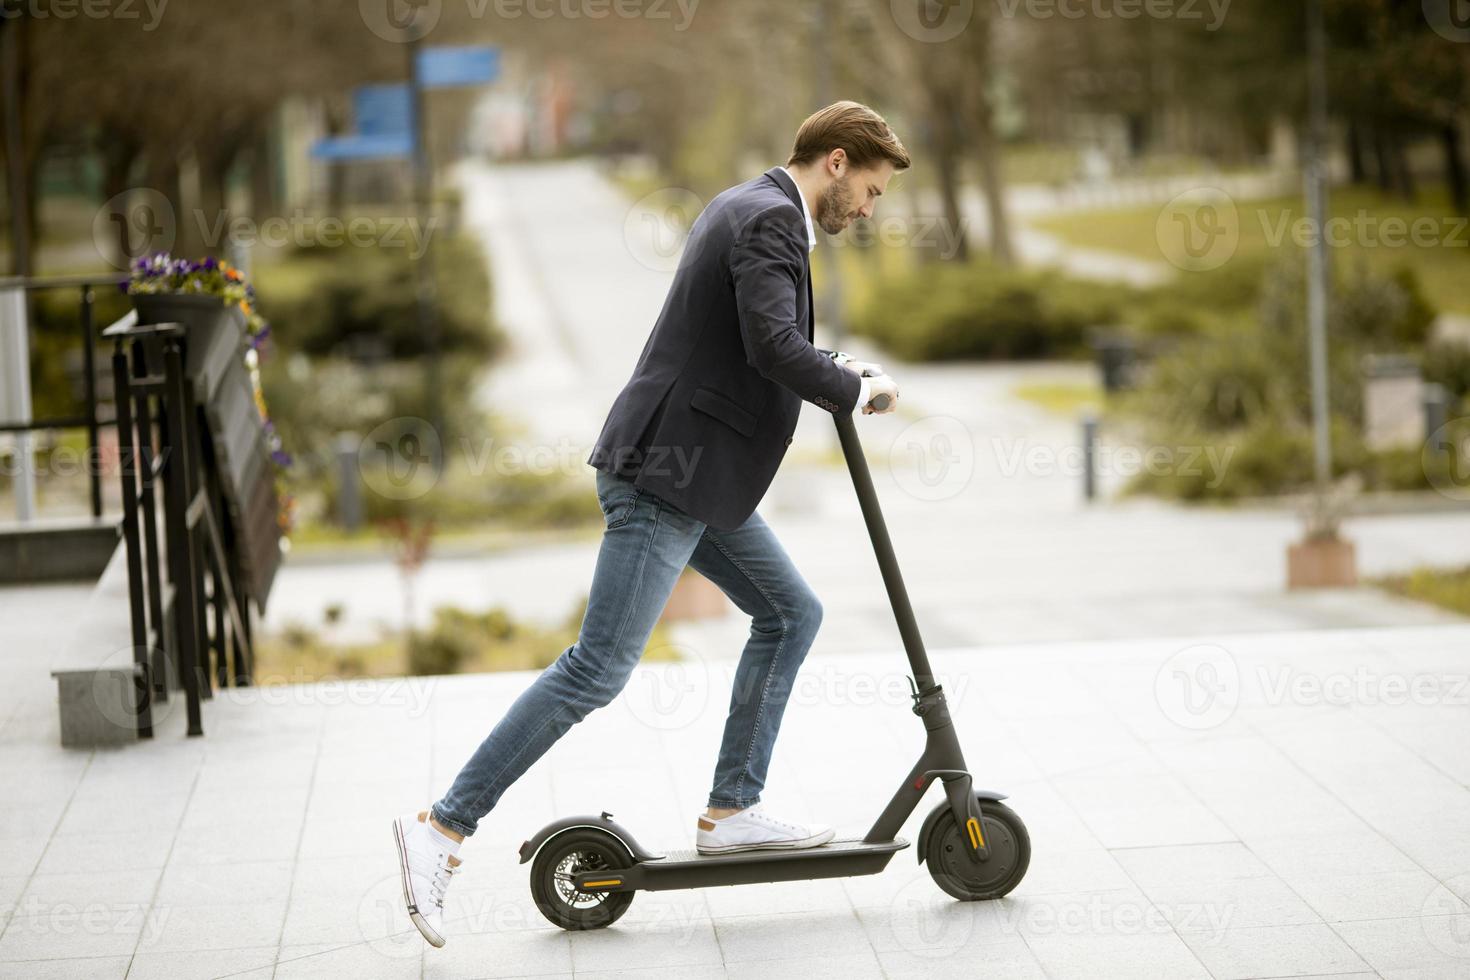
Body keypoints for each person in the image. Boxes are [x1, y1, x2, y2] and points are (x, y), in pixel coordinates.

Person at [394, 101, 910, 948]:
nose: (871, 209)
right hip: (669, 477)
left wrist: (841, 366)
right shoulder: (772, 222)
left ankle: (732, 808)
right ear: (839, 162)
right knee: (596, 670)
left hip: (695, 478)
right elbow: (773, 346)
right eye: (873, 191)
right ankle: (441, 830)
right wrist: (854, 387)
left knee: (791, 614)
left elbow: (756, 339)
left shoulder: (752, 205)